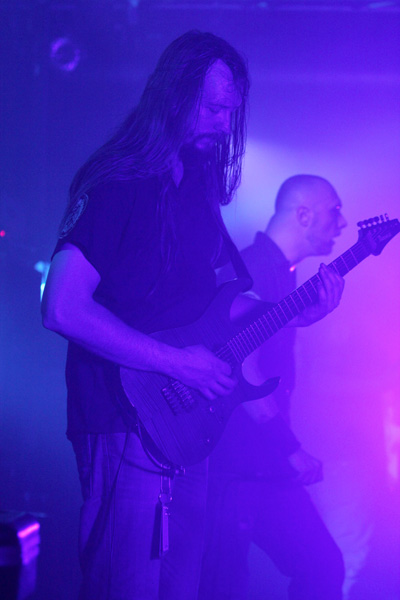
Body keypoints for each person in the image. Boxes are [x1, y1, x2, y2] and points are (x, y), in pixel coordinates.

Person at [41, 29, 344, 600]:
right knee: (125, 588)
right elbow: (61, 306)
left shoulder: (196, 184)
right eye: (212, 108)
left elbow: (218, 305)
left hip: (185, 426)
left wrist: (293, 312)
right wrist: (177, 362)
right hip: (122, 415)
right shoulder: (118, 181)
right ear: (173, 96)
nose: (223, 124)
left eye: (231, 112)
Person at [198, 174, 348, 600]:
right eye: (334, 211)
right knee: (223, 586)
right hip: (234, 466)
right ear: (303, 214)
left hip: (261, 463)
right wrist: (289, 446)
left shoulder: (284, 274)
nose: (342, 223)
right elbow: (243, 368)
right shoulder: (249, 272)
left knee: (322, 567)